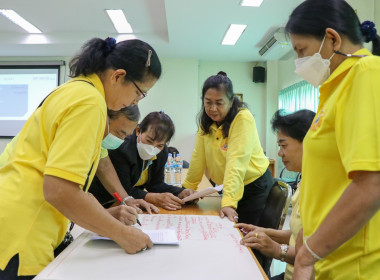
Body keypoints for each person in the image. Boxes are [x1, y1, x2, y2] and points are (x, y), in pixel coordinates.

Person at [0, 37, 162, 279]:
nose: (135, 102)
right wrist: (121, 233)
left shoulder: (74, 90)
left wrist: (104, 218)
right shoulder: (89, 102)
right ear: (118, 76)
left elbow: (84, 169)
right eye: (139, 93)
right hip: (25, 229)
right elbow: (59, 190)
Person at [285, 1, 380, 279]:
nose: (299, 61)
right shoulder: (333, 89)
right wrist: (308, 234)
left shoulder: (365, 74)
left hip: (355, 266)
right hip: (330, 258)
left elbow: (371, 184)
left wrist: (306, 255)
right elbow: (331, 179)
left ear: (332, 39)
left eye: (301, 50)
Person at [182, 71, 273, 225]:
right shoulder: (206, 122)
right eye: (208, 102)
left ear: (231, 102)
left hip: (254, 187)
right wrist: (188, 187)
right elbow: (198, 156)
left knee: (246, 236)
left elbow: (236, 163)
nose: (213, 108)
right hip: (230, 186)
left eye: (219, 103)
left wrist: (229, 203)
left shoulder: (242, 118)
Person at [235, 109, 316, 280]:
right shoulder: (304, 182)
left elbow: (314, 253)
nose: (279, 153)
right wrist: (264, 232)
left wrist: (277, 249)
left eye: (284, 145)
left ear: (309, 142)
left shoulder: (321, 190)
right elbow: (297, 235)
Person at [90, 111, 195, 211]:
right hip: (101, 201)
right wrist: (154, 198)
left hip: (127, 203)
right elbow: (124, 189)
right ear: (138, 131)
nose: (152, 148)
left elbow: (156, 185)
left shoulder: (161, 152)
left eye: (160, 145)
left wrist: (180, 192)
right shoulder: (122, 149)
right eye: (149, 140)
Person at [97, 106, 159, 214]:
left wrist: (127, 199)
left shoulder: (99, 144)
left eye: (125, 136)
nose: (121, 140)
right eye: (119, 133)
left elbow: (104, 166)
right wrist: (106, 215)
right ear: (104, 120)